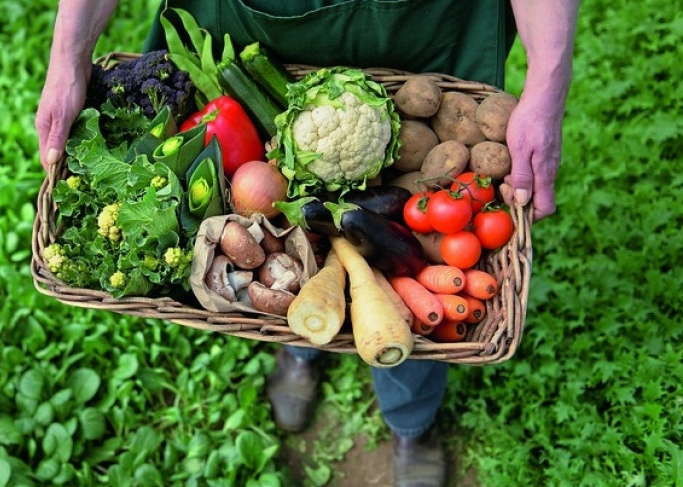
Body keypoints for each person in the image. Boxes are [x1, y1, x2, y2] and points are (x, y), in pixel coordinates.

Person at [36, 2, 578, 485]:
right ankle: (299, 343)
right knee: (294, 262)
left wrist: (549, 87)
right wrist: (67, 57)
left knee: (411, 285)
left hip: (428, 29)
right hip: (258, 20)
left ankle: (411, 421)